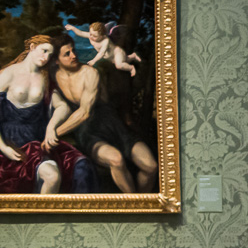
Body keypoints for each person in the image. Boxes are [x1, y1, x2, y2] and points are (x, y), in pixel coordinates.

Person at [49, 42, 159, 193]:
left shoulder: (89, 72)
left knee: (151, 166)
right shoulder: (52, 77)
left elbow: (84, 112)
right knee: (116, 159)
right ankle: (133, 201)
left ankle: (141, 200)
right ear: (56, 60)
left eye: (73, 50)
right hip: (89, 132)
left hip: (113, 125)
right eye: (67, 54)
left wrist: (53, 134)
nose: (73, 55)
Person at [0, 36, 89, 194]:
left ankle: (42, 211)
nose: (46, 57)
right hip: (8, 141)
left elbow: (62, 106)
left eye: (50, 54)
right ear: (32, 47)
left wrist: (51, 127)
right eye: (44, 51)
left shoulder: (44, 78)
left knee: (56, 175)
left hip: (34, 141)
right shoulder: (8, 74)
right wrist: (3, 147)